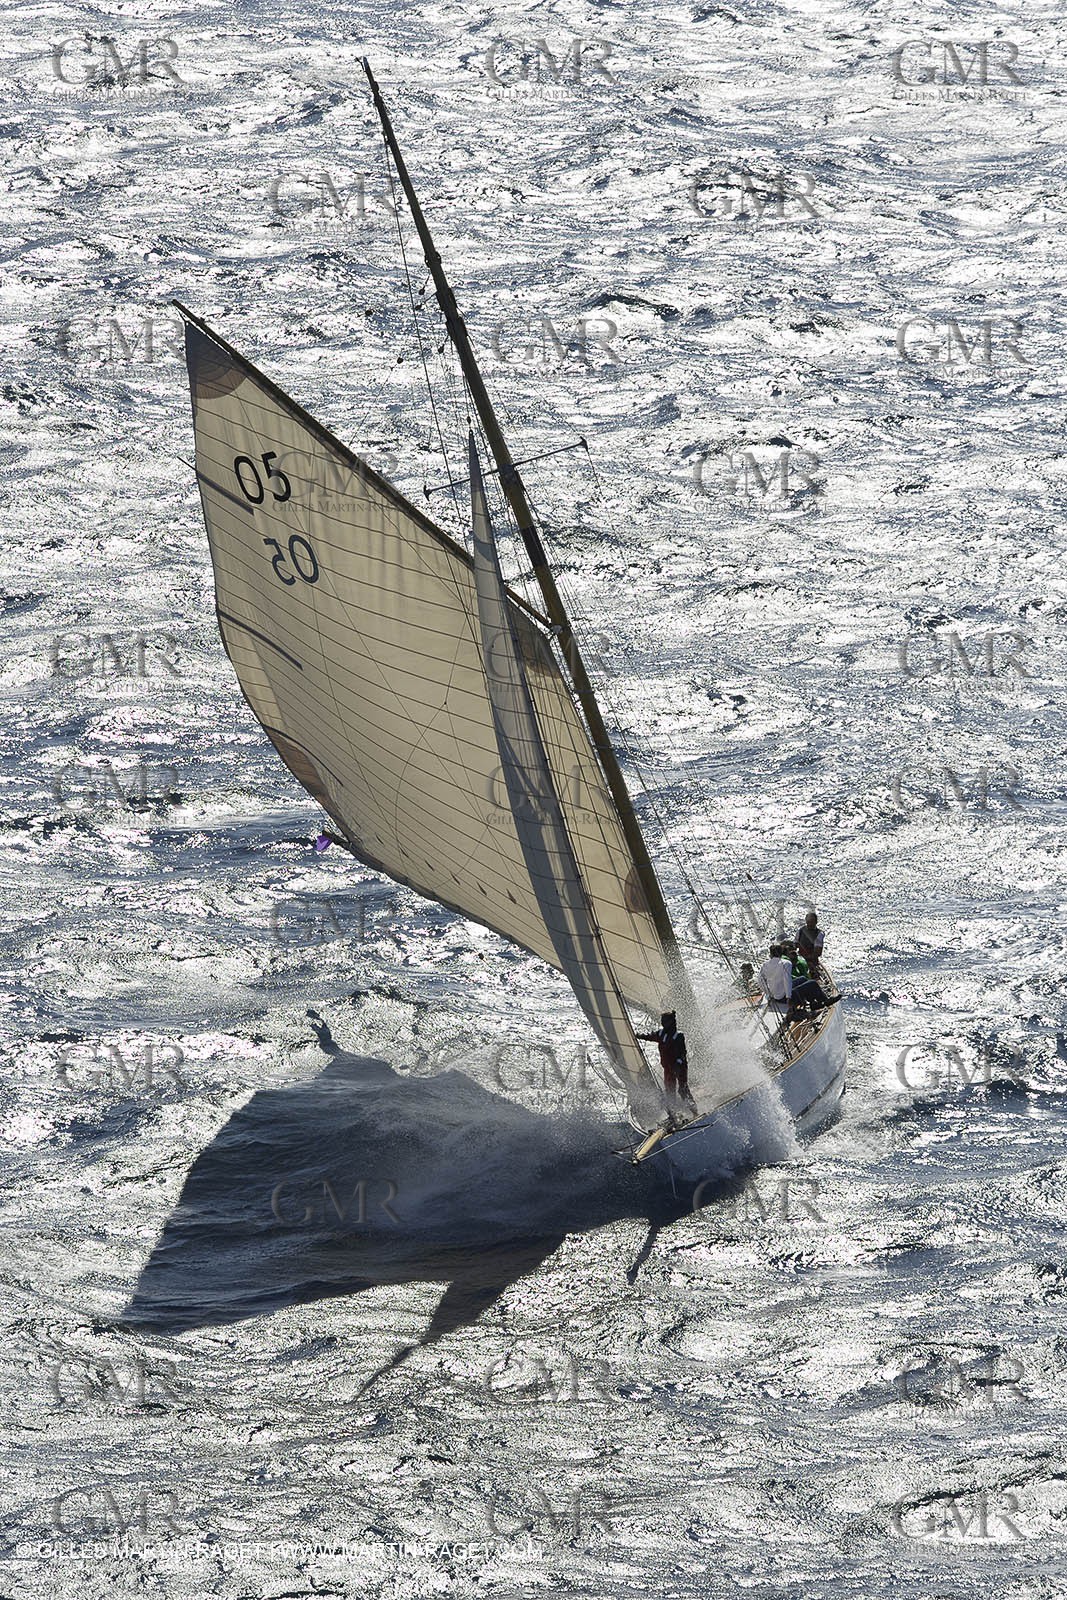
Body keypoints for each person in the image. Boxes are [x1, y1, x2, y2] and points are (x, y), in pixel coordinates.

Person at [636, 1011, 697, 1112]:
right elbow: (650, 1036)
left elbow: (683, 1052)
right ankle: (674, 1113)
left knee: (683, 1089)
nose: (663, 1023)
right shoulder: (661, 1034)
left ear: (671, 1022)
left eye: (665, 1021)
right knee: (669, 1091)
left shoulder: (678, 1035)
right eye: (662, 1021)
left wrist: (678, 1064)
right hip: (668, 1068)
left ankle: (694, 1110)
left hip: (679, 1067)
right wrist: (638, 1036)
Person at [797, 911, 825, 978]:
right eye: (808, 921)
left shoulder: (819, 934)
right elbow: (795, 944)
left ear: (816, 922)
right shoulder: (801, 931)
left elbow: (818, 952)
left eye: (812, 921)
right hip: (800, 960)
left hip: (812, 962)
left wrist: (808, 958)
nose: (810, 923)